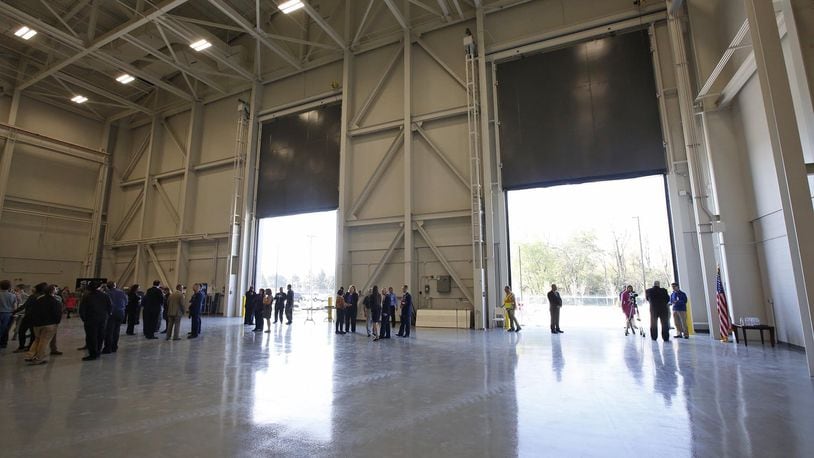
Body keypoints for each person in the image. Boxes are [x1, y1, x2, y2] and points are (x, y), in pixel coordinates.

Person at [23, 283, 62, 365]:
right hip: (49, 324)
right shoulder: (55, 302)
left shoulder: (39, 300)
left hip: (37, 324)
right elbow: (57, 314)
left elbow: (32, 311)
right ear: (53, 292)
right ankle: (38, 359)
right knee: (44, 342)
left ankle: (30, 355)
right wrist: (57, 322)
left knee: (37, 340)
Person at [79, 281, 112, 361]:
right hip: (102, 319)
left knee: (91, 337)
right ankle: (98, 351)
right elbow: (110, 307)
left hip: (91, 319)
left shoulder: (87, 296)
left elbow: (82, 309)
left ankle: (93, 354)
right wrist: (106, 316)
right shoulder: (105, 295)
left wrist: (84, 319)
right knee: (100, 336)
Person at [102, 281, 127, 353]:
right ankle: (114, 347)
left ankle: (108, 348)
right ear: (115, 285)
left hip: (111, 313)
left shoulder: (107, 293)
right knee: (116, 330)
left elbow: (105, 304)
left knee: (109, 331)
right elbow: (126, 302)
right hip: (120, 313)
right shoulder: (122, 292)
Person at [0, 279, 17, 349]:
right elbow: (15, 306)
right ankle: (4, 343)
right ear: (9, 287)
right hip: (8, 314)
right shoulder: (13, 295)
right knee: (6, 329)